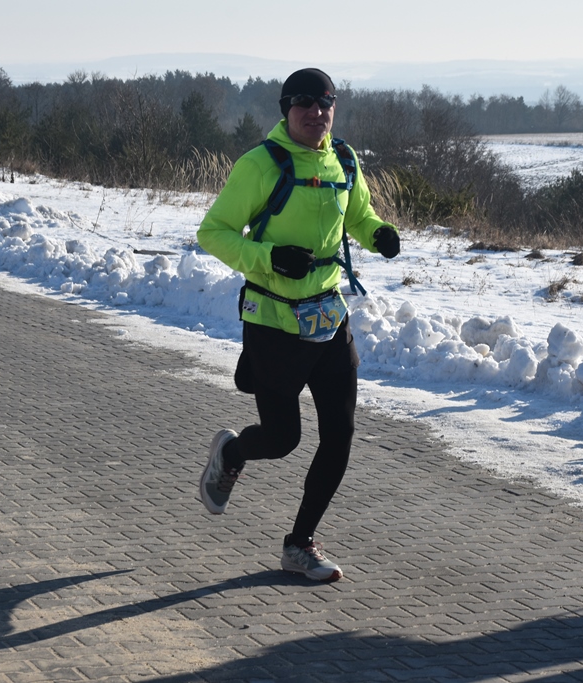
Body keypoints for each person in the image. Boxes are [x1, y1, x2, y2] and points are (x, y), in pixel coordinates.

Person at [195, 68, 400, 581]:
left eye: (325, 103)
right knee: (283, 438)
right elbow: (213, 232)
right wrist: (268, 257)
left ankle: (299, 544)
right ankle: (233, 452)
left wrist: (379, 234)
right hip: (273, 319)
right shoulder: (260, 164)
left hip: (328, 315)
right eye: (304, 103)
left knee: (340, 433)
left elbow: (359, 215)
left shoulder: (344, 159)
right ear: (286, 109)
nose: (316, 112)